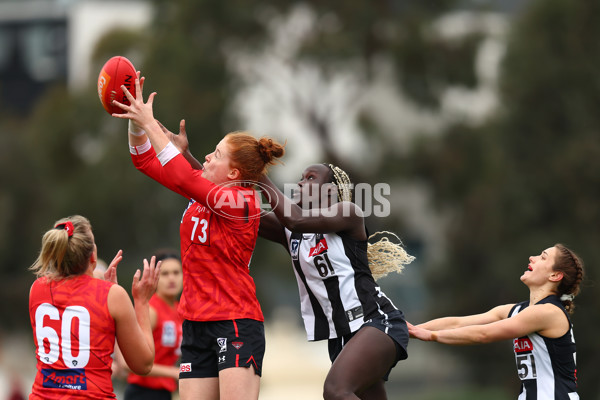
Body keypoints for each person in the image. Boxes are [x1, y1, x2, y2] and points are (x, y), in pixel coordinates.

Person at [112, 75, 285, 400]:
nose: (206, 157)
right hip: (194, 322)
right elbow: (144, 160)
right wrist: (136, 121)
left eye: (216, 154)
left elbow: (179, 173)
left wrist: (149, 120)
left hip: (234, 321)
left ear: (234, 174)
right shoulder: (202, 193)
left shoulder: (242, 202)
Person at [257, 163, 415, 400]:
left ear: (329, 191)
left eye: (310, 178)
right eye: (301, 178)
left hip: (376, 321)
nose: (300, 183)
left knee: (335, 391)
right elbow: (239, 214)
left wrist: (259, 177)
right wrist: (201, 174)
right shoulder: (291, 232)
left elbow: (295, 219)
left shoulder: (347, 212)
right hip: (341, 335)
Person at [408, 244, 583, 400]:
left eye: (543, 257)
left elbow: (483, 334)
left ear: (555, 275)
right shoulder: (516, 311)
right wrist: (407, 330)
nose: (532, 257)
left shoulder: (548, 312)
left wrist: (431, 335)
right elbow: (458, 323)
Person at [28, 215, 161, 399]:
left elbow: (72, 296)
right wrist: (142, 301)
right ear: (93, 255)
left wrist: (105, 289)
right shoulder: (113, 295)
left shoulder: (37, 288)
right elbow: (143, 365)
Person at [118, 249, 184, 400]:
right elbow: (127, 362)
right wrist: (173, 372)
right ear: (155, 277)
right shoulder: (150, 310)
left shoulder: (180, 310)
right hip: (142, 393)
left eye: (176, 272)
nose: (172, 278)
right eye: (165, 274)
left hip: (164, 393)